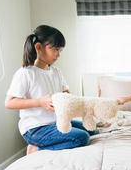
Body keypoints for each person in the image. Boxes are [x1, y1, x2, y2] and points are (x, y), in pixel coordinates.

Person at [5, 25, 94, 155]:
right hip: (36, 129)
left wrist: (78, 105)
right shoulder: (26, 73)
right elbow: (9, 103)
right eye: (55, 49)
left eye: (61, 50)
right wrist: (40, 102)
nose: (58, 55)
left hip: (56, 122)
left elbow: (66, 95)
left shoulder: (56, 72)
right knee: (82, 137)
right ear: (39, 47)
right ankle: (36, 149)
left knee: (92, 129)